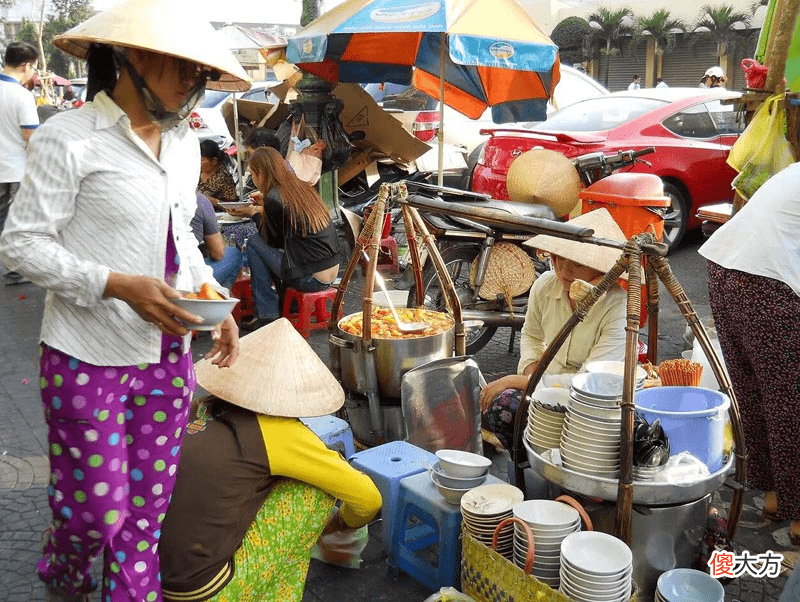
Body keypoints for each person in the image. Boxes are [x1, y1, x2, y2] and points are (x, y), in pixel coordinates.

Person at [0, 1, 247, 599]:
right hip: (85, 356)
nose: (195, 84)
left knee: (143, 520)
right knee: (95, 515)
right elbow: (20, 244)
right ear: (136, 58)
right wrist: (115, 284)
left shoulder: (184, 144)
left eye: (201, 74)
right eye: (184, 69)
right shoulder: (70, 137)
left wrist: (211, 293)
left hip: (168, 359)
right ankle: (64, 567)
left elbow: (181, 230)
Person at [160, 318, 382, 601]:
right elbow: (368, 499)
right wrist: (335, 527)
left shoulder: (199, 408)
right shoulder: (280, 432)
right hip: (206, 590)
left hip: (152, 573)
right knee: (313, 492)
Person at [698, 161, 800, 546]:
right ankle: (798, 517)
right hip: (763, 280)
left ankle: (774, 496)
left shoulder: (794, 172)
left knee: (756, 391)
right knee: (789, 400)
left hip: (726, 270)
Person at [479, 209, 628, 452]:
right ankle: (525, 467)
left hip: (592, 402)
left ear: (601, 269)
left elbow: (592, 381)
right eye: (559, 258)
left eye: (577, 263)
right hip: (543, 388)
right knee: (497, 408)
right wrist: (530, 367)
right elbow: (531, 335)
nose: (564, 270)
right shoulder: (545, 285)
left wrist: (521, 382)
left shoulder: (618, 304)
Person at [242, 147, 340, 330]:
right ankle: (287, 303)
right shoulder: (300, 187)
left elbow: (274, 242)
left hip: (311, 278)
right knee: (285, 252)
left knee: (255, 242)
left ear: (260, 173)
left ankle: (267, 313)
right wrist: (265, 205)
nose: (252, 180)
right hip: (332, 271)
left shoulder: (274, 197)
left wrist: (253, 213)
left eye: (252, 174)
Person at [0, 41, 39, 286]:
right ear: (25, 66)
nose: (33, 73)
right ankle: (15, 269)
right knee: (14, 221)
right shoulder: (21, 96)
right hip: (13, 169)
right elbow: (31, 137)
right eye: (34, 68)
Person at [191, 191, 242, 290]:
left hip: (156, 276)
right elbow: (218, 253)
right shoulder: (199, 200)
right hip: (184, 278)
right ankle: (218, 298)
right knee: (234, 254)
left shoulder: (155, 198)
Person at [198, 138, 238, 209]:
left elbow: (233, 205)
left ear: (214, 161)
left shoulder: (224, 178)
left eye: (202, 160)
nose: (198, 162)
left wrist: (213, 201)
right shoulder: (196, 173)